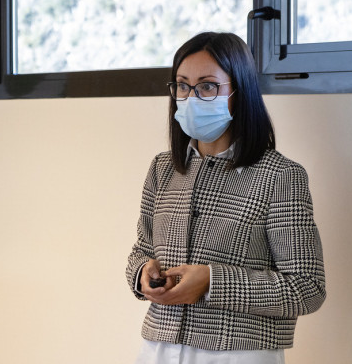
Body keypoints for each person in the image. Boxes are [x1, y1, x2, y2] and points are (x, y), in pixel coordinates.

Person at [125, 32, 326, 364]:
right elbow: (142, 249)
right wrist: (142, 272)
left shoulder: (280, 176)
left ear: (238, 92)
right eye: (182, 85)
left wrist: (211, 281)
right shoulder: (163, 168)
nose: (191, 96)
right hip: (158, 349)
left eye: (207, 86)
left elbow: (306, 289)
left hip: (239, 353)